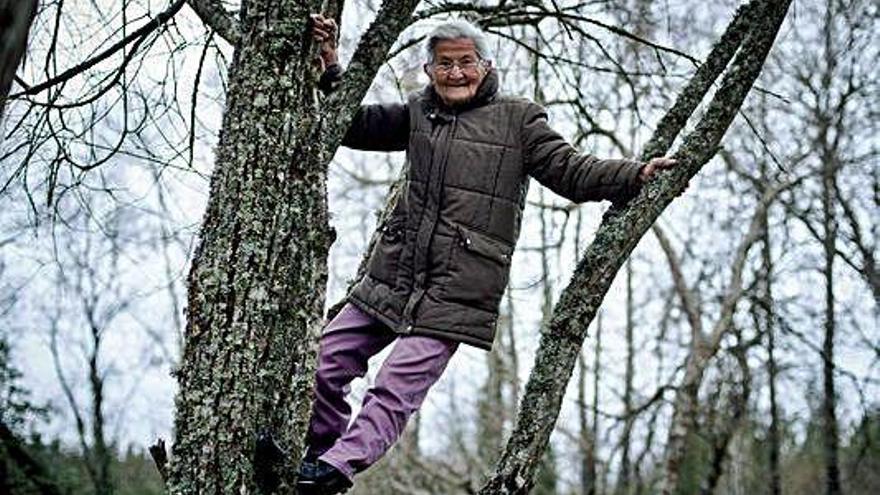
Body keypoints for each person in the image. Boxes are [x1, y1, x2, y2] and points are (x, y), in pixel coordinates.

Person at [294, 14, 677, 495]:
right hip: (392, 274)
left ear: (486, 65)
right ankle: (318, 455)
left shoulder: (519, 119)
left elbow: (569, 169)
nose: (456, 74)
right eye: (445, 64)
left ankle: (336, 469)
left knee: (393, 388)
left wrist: (632, 175)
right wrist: (331, 66)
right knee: (323, 361)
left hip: (458, 289)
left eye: (466, 63)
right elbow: (355, 124)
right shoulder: (418, 113)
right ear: (429, 69)